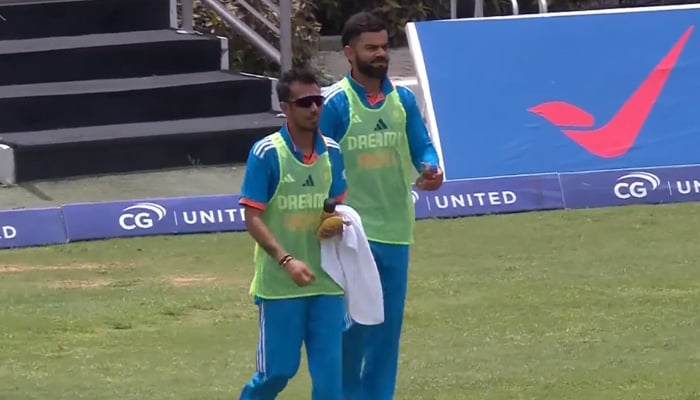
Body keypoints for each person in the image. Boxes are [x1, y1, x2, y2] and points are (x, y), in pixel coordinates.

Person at [319, 11, 445, 400]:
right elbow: (317, 158)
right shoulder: (334, 103)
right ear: (348, 53)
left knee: (387, 330)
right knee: (354, 326)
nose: (379, 54)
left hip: (395, 227)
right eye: (369, 47)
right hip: (351, 232)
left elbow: (421, 143)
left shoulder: (403, 99)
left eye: (383, 46)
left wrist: (431, 166)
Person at [238, 67, 349, 400]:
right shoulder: (267, 153)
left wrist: (338, 222)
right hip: (280, 285)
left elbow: (337, 205)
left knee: (330, 380)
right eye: (305, 103)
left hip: (328, 280)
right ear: (285, 107)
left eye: (318, 100)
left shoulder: (333, 151)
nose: (314, 108)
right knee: (277, 372)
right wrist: (286, 260)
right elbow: (252, 216)